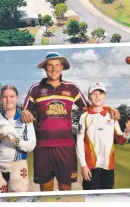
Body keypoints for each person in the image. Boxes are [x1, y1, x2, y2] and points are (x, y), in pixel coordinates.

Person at [21, 52, 120, 192]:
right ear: (45, 68)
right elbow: (25, 111)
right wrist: (24, 111)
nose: (54, 69)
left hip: (66, 146)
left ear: (62, 67)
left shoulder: (72, 88)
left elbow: (88, 107)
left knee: (65, 190)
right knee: (46, 192)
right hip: (42, 146)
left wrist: (108, 108)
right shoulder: (35, 89)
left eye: (57, 65)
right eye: (50, 65)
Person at [76, 82, 130, 190]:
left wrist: (127, 131)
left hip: (108, 166)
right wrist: (83, 165)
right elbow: (79, 142)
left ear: (105, 96)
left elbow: (121, 140)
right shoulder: (84, 117)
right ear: (89, 97)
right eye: (94, 94)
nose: (97, 96)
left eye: (100, 93)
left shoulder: (112, 116)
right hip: (90, 166)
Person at [0, 85, 36, 193]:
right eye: (5, 97)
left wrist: (16, 139)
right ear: (1, 99)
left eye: (12, 96)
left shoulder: (25, 119)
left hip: (18, 165)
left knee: (20, 199)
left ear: (17, 98)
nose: (8, 100)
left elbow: (31, 145)